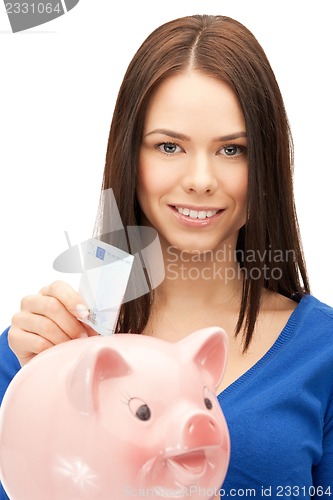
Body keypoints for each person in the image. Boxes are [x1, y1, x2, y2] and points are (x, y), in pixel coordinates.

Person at [0, 14, 332, 500]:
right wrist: (46, 393)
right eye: (169, 146)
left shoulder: (324, 352)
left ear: (266, 165)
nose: (200, 179)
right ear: (129, 156)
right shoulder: (39, 349)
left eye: (232, 149)